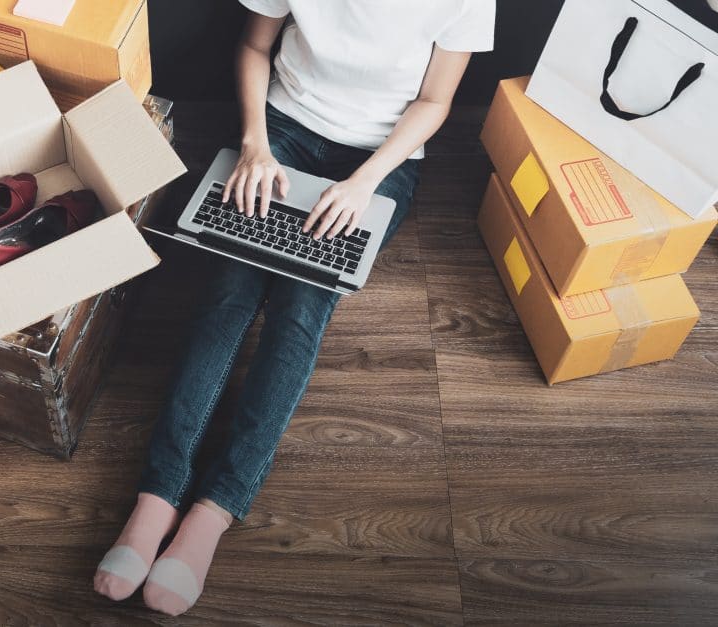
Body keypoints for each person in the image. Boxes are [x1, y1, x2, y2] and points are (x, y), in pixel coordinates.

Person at [94, 0, 495, 616]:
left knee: (301, 312)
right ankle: (157, 496)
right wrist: (254, 143)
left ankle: (214, 510)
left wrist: (365, 182)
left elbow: (434, 102)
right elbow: (256, 47)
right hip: (281, 130)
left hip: (378, 158)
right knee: (226, 297)